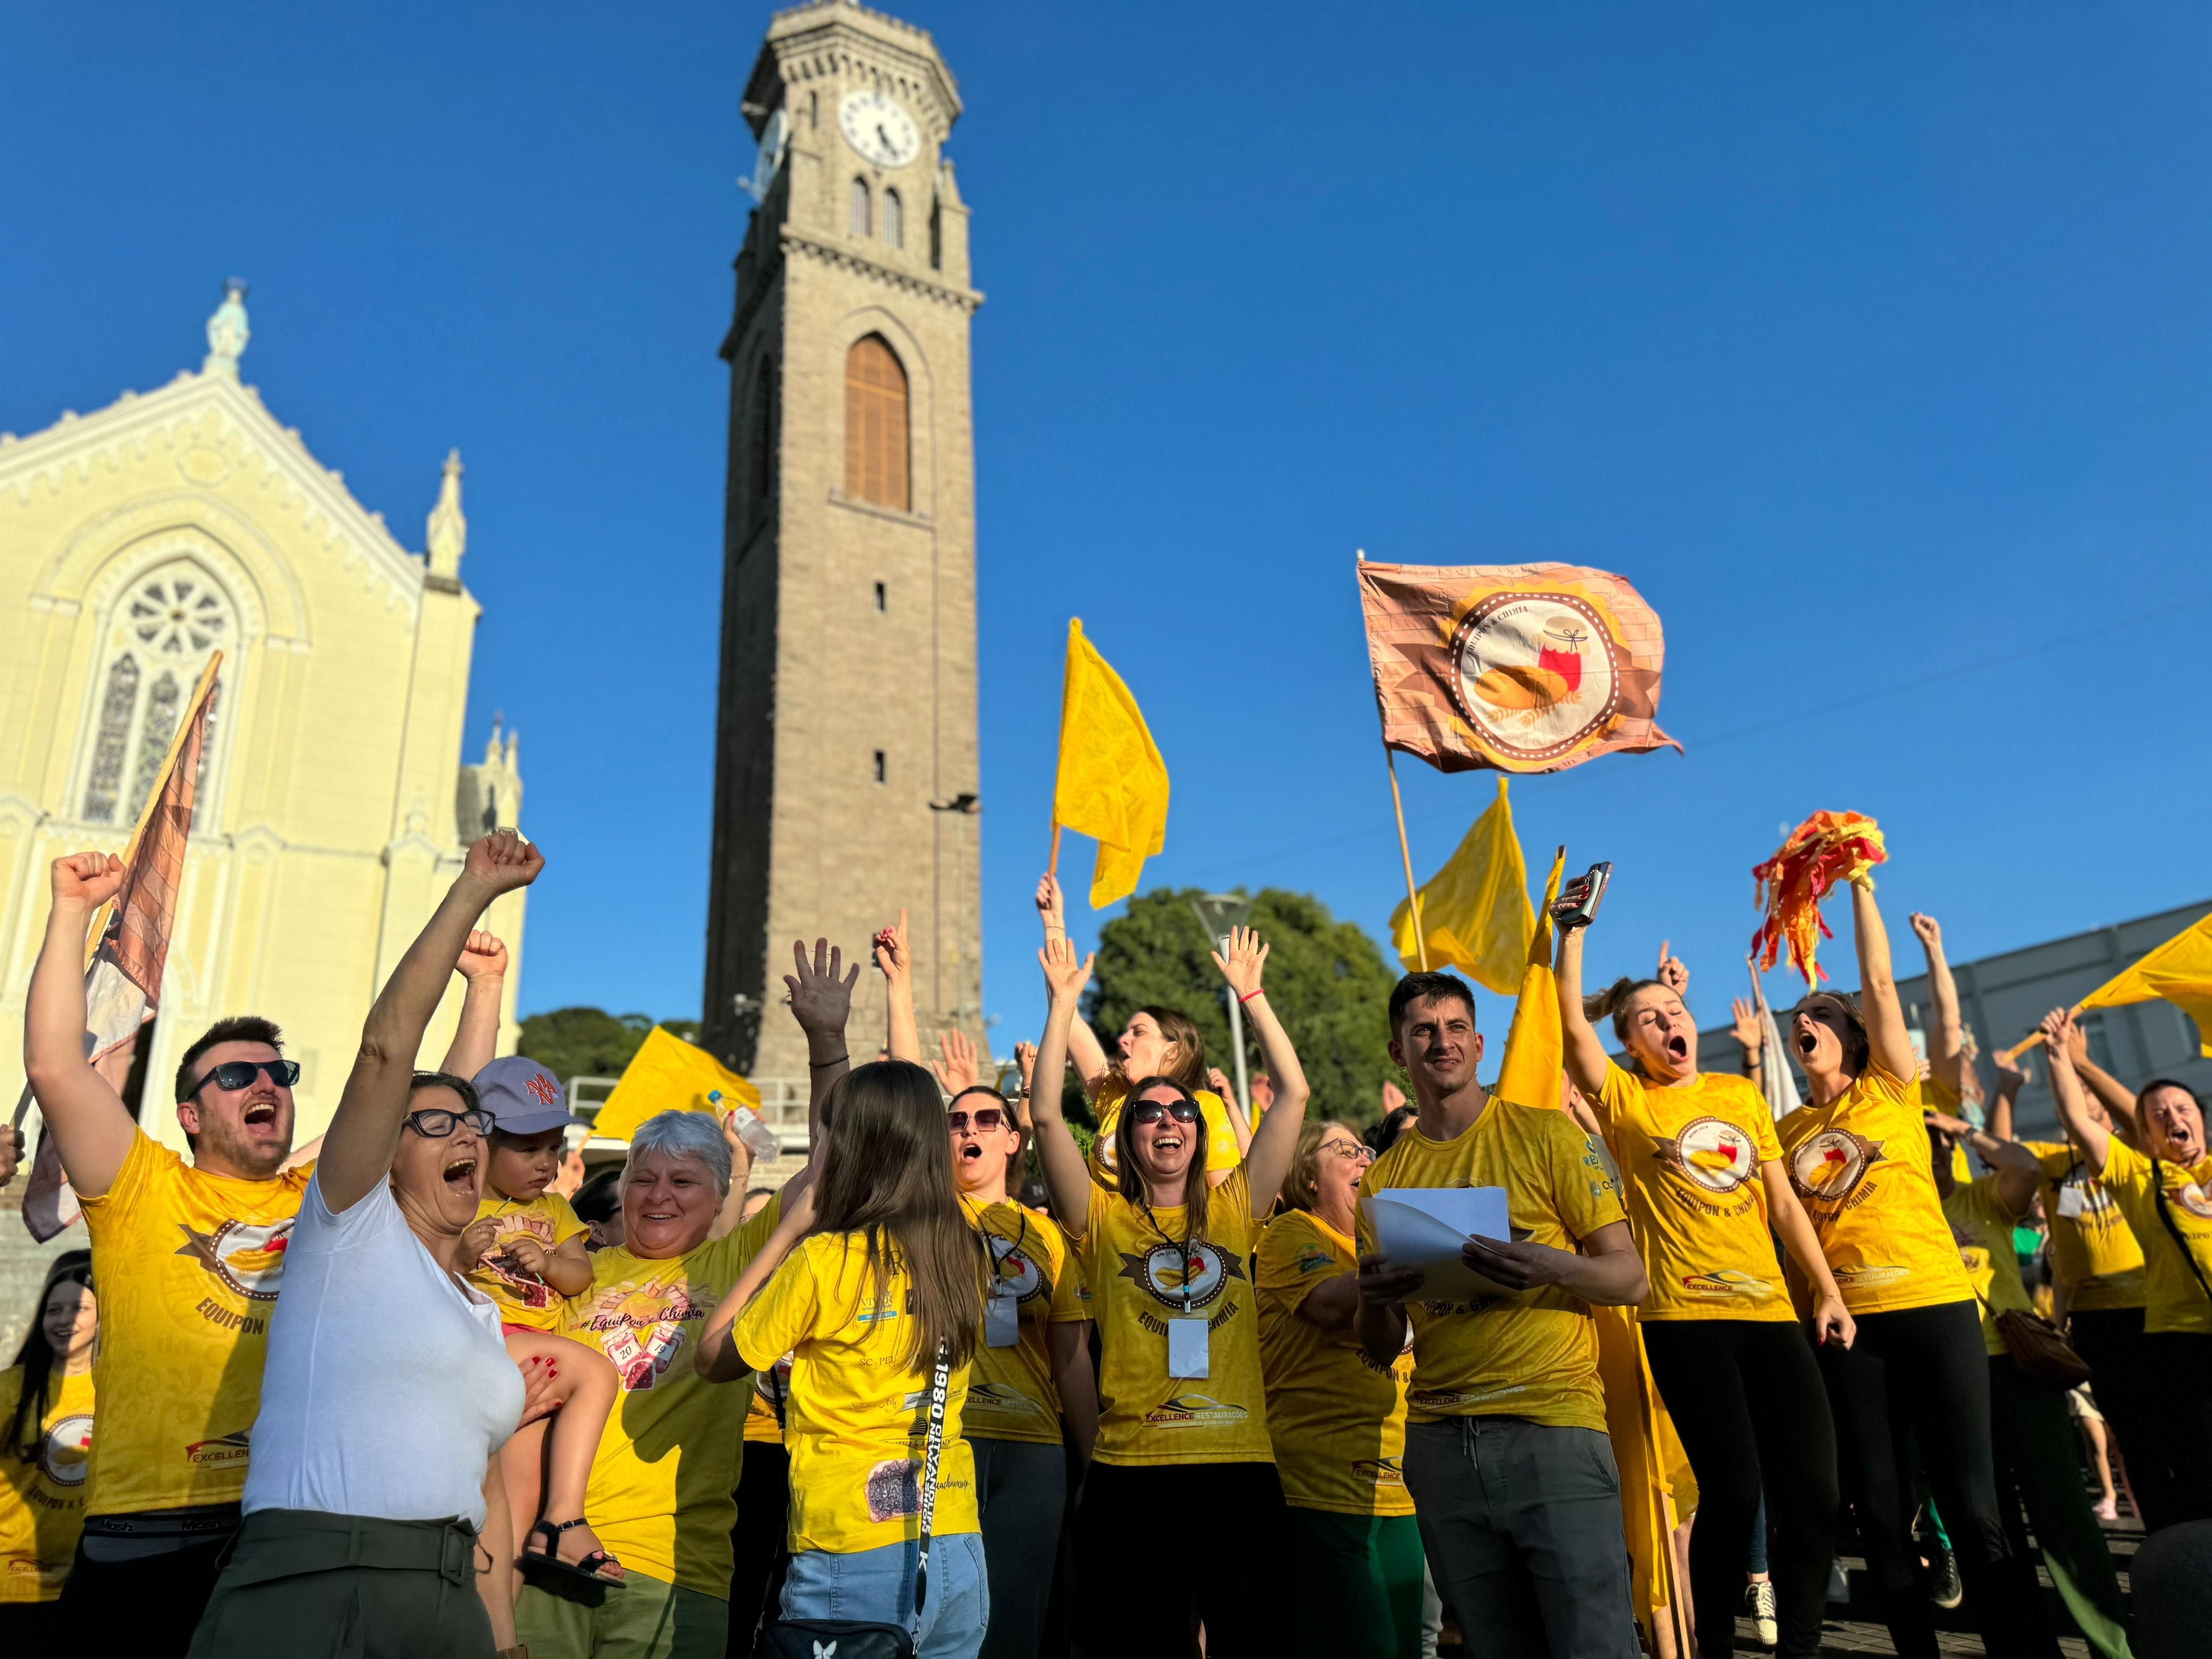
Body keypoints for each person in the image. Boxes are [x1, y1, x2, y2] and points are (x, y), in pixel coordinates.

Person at [21, 845, 508, 1655]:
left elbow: (428, 1113)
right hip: (147, 1528)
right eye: (237, 1074)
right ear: (186, 1112)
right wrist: (70, 913)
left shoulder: (319, 1199)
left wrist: (483, 991)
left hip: (280, 1530)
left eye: (278, 1071)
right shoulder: (141, 1183)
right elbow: (54, 1066)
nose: (267, 1084)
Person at [185, 830, 546, 1655]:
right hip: (314, 1582)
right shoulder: (347, 1226)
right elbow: (388, 1048)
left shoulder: (479, 1312)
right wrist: (472, 894)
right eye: (433, 1122)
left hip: (449, 1598)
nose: (465, 1134)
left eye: (473, 1124)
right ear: (385, 1151)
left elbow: (481, 1488)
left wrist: (500, 1637)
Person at [513, 940, 841, 1659]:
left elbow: (831, 1162)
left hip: (676, 1569)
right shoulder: (578, 1268)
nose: (658, 1196)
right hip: (545, 1553)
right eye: (642, 1178)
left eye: (683, 1182)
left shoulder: (732, 1262)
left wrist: (825, 1042)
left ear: (721, 1195)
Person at [1772, 877, 2055, 1657]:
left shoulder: (1891, 1089)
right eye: (1800, 1016)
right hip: (1853, 1331)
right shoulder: (1787, 1127)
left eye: (1823, 1015)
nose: (1807, 1020)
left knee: (1975, 1505)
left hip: (1935, 1308)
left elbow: (1878, 988)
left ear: (1856, 1037)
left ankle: (2022, 1649)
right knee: (1881, 1509)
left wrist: (1860, 883)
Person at [1554, 913, 1849, 1659]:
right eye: (1650, 1021)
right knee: (1735, 1491)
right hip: (1683, 1319)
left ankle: (1802, 1647)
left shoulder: (1739, 1096)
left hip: (1771, 1312)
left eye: (1676, 1013)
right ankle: (1711, 1644)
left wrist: (1829, 1292)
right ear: (1631, 1044)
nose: (1668, 1026)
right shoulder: (1627, 1103)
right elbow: (1571, 1029)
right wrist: (1576, 933)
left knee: (1814, 1493)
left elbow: (1783, 1204)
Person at [1028, 924, 1311, 1656]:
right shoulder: (1103, 1220)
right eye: (1148, 1113)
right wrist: (1063, 1004)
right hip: (1133, 1472)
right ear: (1128, 1139)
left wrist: (1251, 995)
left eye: (1180, 1110)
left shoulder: (1236, 1210)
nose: (1166, 1119)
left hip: (1241, 1467)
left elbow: (1295, 1097)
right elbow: (1045, 1118)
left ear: (1201, 1132)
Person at [1353, 969, 1647, 1659]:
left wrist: (1550, 1266)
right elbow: (1381, 1344)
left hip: (1554, 1426)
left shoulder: (1546, 1136)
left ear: (1480, 1043)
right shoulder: (1382, 1179)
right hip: (1439, 1443)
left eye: (1455, 1028)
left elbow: (1629, 1276)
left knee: (1595, 1644)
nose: (1441, 1042)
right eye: (1423, 1031)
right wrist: (1375, 1300)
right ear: (1399, 1052)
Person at [698, 1060, 993, 1659]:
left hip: (850, 1547)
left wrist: (786, 1234)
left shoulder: (824, 1259)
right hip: (954, 1540)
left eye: (826, 1133)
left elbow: (713, 1356)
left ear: (852, 1145)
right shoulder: (963, 1248)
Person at [878, 905, 1099, 1659]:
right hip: (943, 1437)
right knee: (928, 1621)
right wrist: (900, 988)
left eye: (984, 1120)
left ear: (1013, 1138)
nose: (968, 1130)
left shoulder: (1049, 1234)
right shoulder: (927, 1211)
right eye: (956, 1121)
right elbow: (907, 1096)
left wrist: (1094, 1461)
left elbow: (1071, 1359)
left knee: (1012, 1626)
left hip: (1034, 1447)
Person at [1924, 1104, 2134, 1656]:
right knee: (1987, 1527)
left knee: (2065, 1518)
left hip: (2017, 1368)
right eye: (1921, 1145)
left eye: (1939, 1146)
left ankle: (2111, 1645)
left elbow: (2022, 1167)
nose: (1933, 1153)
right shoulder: (1900, 1213)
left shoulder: (1978, 1198)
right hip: (1950, 1379)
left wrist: (1962, 1128)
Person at [1256, 1119, 1420, 1659]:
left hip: (1400, 1485)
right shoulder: (1290, 1233)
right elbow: (1328, 1304)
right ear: (1308, 1176)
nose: (1363, 1160)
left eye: (1366, 1150)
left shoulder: (1391, 1246)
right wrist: (1424, 1257)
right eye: (1345, 1152)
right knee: (1365, 1647)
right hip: (1321, 1483)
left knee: (1404, 1646)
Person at [2043, 1010, 2212, 1530]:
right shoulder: (2140, 1176)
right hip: (2183, 1344)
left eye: (2181, 1109)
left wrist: (2086, 1063)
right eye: (2157, 1116)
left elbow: (2148, 1111)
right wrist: (2063, 1060)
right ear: (2144, 1133)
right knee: (2193, 1467)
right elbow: (2079, 1120)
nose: (2171, 1118)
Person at [459, 1055, 624, 1587]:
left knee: (516, 1503)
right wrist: (462, 1255)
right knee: (599, 1373)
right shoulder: (456, 1203)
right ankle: (567, 1520)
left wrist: (550, 1262)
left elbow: (578, 1278)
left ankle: (502, 1624)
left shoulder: (556, 1210)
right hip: (485, 1347)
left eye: (553, 1148)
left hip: (541, 1360)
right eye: (528, 1148)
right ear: (480, 1141)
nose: (545, 1163)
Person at [1990, 1026, 2160, 1530]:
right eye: (2072, 1105)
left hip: (2153, 1310)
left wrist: (2082, 1064)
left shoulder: (2132, 1154)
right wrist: (2009, 1088)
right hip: (2091, 1321)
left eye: (2090, 1105)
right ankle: (2158, 1529)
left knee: (2170, 1426)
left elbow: (2137, 1117)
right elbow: (2002, 1150)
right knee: (2125, 1434)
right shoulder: (2053, 1163)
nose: (2079, 1111)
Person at [1034, 873, 1246, 1187]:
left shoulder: (1203, 1108)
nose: (1123, 1039)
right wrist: (1054, 923)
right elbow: (1067, 1021)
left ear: (1173, 1049)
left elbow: (1226, 1205)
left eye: (1139, 1032)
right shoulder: (1115, 1099)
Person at [0, 1253, 97, 1636]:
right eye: (53, 1309)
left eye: (79, 1308)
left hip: (93, 1583)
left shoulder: (121, 1389)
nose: (64, 1319)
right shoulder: (10, 1389)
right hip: (14, 1585)